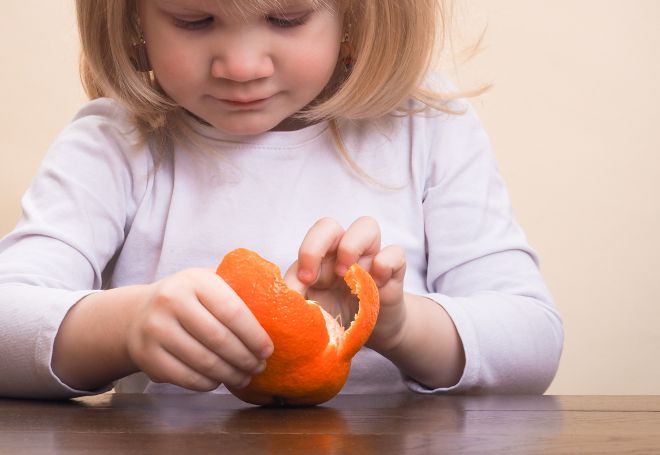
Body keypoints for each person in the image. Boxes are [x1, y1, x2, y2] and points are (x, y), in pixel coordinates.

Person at [0, 0, 563, 399]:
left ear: (354, 11)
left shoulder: (428, 128)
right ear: (133, 17)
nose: (242, 67)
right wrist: (124, 327)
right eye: (194, 20)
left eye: (286, 17)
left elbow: (533, 341)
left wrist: (396, 325)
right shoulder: (116, 143)